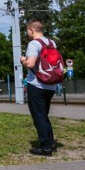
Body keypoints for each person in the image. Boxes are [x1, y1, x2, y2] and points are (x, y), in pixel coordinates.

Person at [20, 20, 59, 156]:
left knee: (38, 116)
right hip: (51, 85)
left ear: (32, 30)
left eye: (27, 31)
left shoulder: (33, 44)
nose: (27, 33)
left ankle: (46, 147)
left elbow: (30, 64)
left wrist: (22, 60)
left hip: (37, 84)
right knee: (44, 115)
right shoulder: (51, 43)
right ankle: (51, 142)